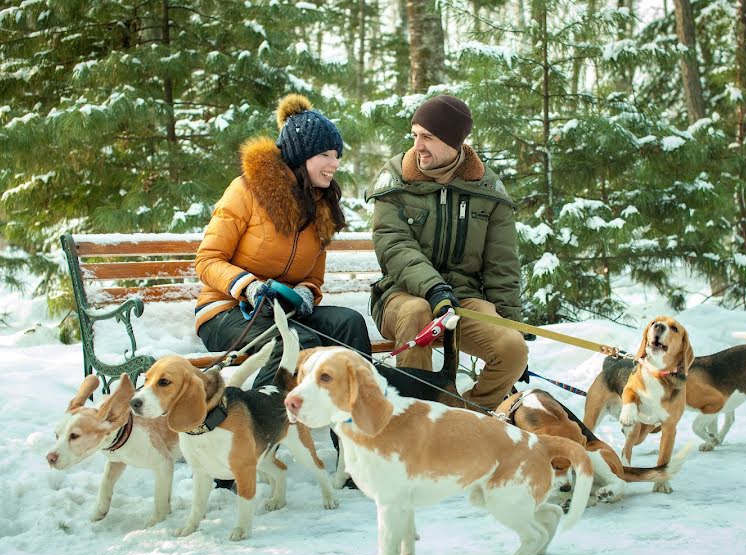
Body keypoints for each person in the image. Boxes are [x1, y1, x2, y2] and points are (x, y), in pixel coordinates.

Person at [195, 93, 372, 389]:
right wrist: (249, 287)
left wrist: (305, 292)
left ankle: (356, 423)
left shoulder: (321, 207)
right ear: (302, 156)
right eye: (326, 155)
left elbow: (313, 277)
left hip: (283, 312)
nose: (335, 163)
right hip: (227, 311)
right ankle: (262, 427)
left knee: (349, 323)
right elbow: (207, 260)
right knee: (294, 341)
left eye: (337, 155)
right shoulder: (247, 190)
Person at [366, 94, 529, 411]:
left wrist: (511, 324)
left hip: (463, 300)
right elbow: (395, 246)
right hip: (402, 297)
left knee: (512, 348)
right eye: (415, 135)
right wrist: (434, 289)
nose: (418, 145)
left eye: (427, 137)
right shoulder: (396, 181)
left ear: (454, 142)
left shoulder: (487, 190)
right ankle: (416, 418)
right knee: (418, 313)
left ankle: (465, 417)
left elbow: (502, 266)